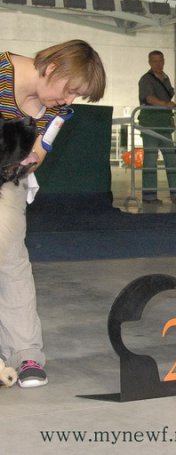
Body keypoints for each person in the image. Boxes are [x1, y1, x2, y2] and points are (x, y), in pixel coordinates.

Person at [0, 39, 106, 388]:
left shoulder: (56, 110)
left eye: (77, 96)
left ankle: (25, 353)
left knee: (10, 257)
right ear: (51, 68)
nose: (69, 101)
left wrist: (27, 160)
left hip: (7, 179)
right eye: (69, 90)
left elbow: (37, 154)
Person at [138, 50, 176, 204]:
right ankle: (149, 195)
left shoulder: (166, 78)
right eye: (155, 61)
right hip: (150, 124)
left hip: (164, 124)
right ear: (150, 62)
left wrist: (166, 106)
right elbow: (148, 98)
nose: (158, 64)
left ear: (164, 61)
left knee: (171, 158)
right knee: (150, 159)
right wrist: (165, 104)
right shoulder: (145, 79)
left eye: (160, 61)